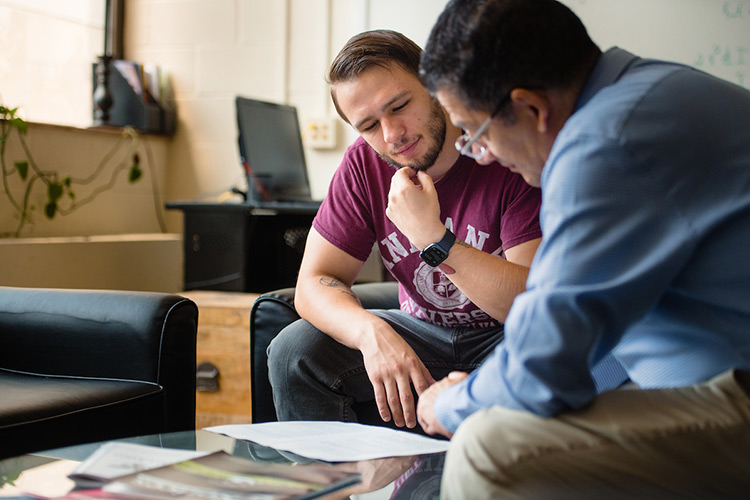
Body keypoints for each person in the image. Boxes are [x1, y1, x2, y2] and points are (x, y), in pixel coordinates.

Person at [412, 0, 750, 497]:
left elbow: (544, 367)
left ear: (530, 108)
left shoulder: (603, 144)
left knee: (490, 447)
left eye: (475, 134)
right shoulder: (649, 92)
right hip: (712, 370)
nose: (482, 155)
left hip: (732, 388)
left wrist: (449, 404)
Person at [266, 29, 543, 433]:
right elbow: (313, 282)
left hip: (508, 340)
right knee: (295, 351)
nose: (392, 135)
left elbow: (533, 307)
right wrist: (370, 333)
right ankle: (329, 491)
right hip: (422, 335)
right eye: (369, 125)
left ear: (433, 83)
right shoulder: (364, 164)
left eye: (399, 106)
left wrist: (434, 239)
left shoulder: (501, 147)